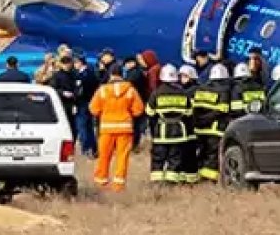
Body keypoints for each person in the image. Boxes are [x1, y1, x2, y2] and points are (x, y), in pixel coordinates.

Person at [89, 63, 145, 191]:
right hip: (125, 129)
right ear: (123, 74)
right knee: (122, 157)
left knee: (104, 156)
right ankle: (118, 185)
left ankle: (100, 182)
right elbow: (138, 110)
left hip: (106, 129)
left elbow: (93, 109)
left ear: (110, 74)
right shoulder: (130, 90)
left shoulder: (102, 90)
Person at [146, 64, 194, 184]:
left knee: (158, 158)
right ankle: (171, 182)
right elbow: (189, 113)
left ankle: (156, 183)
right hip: (179, 132)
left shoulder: (156, 93)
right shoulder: (183, 93)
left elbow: (149, 113)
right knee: (175, 158)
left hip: (161, 132)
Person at [192, 64, 233, 183]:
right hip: (215, 128)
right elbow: (223, 109)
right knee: (212, 154)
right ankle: (209, 178)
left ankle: (198, 175)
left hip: (200, 128)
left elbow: (196, 108)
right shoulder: (224, 90)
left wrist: (200, 120)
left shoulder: (201, 89)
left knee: (202, 152)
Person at [75, 56, 100, 158]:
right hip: (91, 103)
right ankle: (94, 148)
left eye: (76, 63)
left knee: (82, 126)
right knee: (89, 127)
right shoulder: (92, 73)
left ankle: (85, 148)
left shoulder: (83, 75)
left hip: (83, 103)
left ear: (80, 63)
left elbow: (80, 91)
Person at [49, 56, 78, 138]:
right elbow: (53, 88)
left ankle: (73, 140)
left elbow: (78, 87)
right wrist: (62, 93)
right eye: (65, 64)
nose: (67, 66)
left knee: (73, 125)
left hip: (72, 102)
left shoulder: (74, 74)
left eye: (68, 64)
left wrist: (74, 96)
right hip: (61, 103)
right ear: (61, 64)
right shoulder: (57, 75)